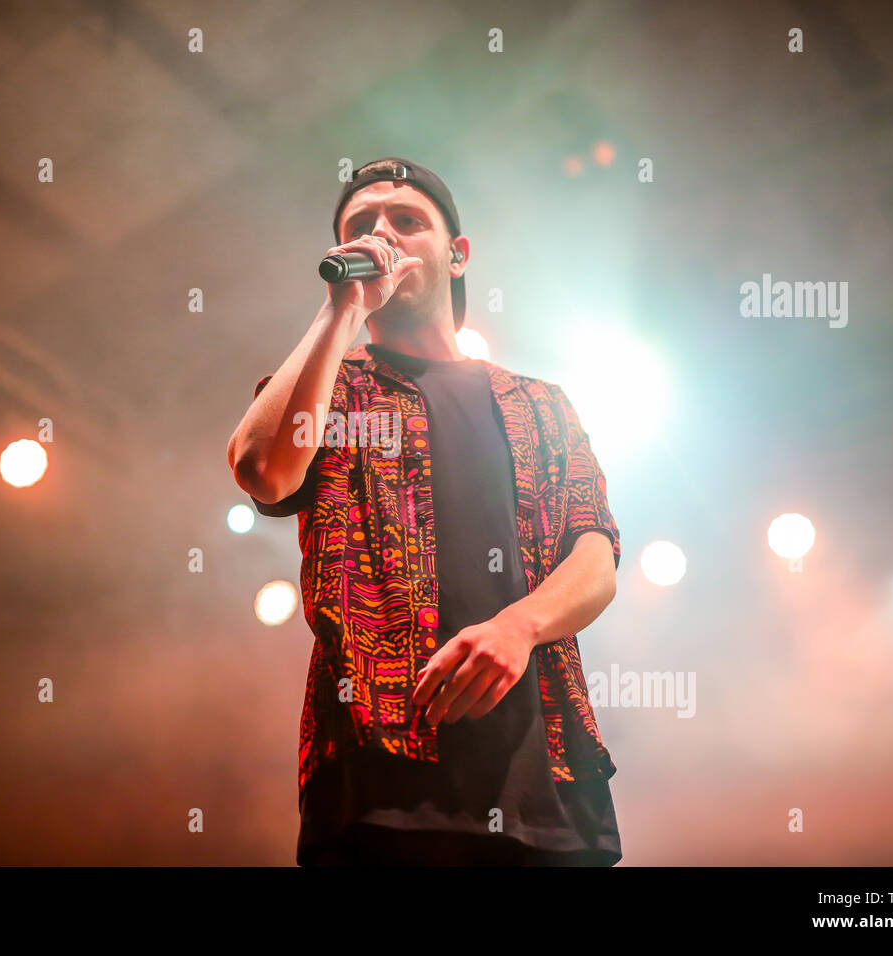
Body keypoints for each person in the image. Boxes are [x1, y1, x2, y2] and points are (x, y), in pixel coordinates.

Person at [227, 157, 624, 866]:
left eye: (407, 221)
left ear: (458, 254)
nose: (382, 233)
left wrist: (517, 626)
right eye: (362, 225)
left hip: (547, 778)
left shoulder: (540, 402)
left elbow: (595, 560)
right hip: (378, 782)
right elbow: (262, 468)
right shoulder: (334, 392)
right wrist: (344, 308)